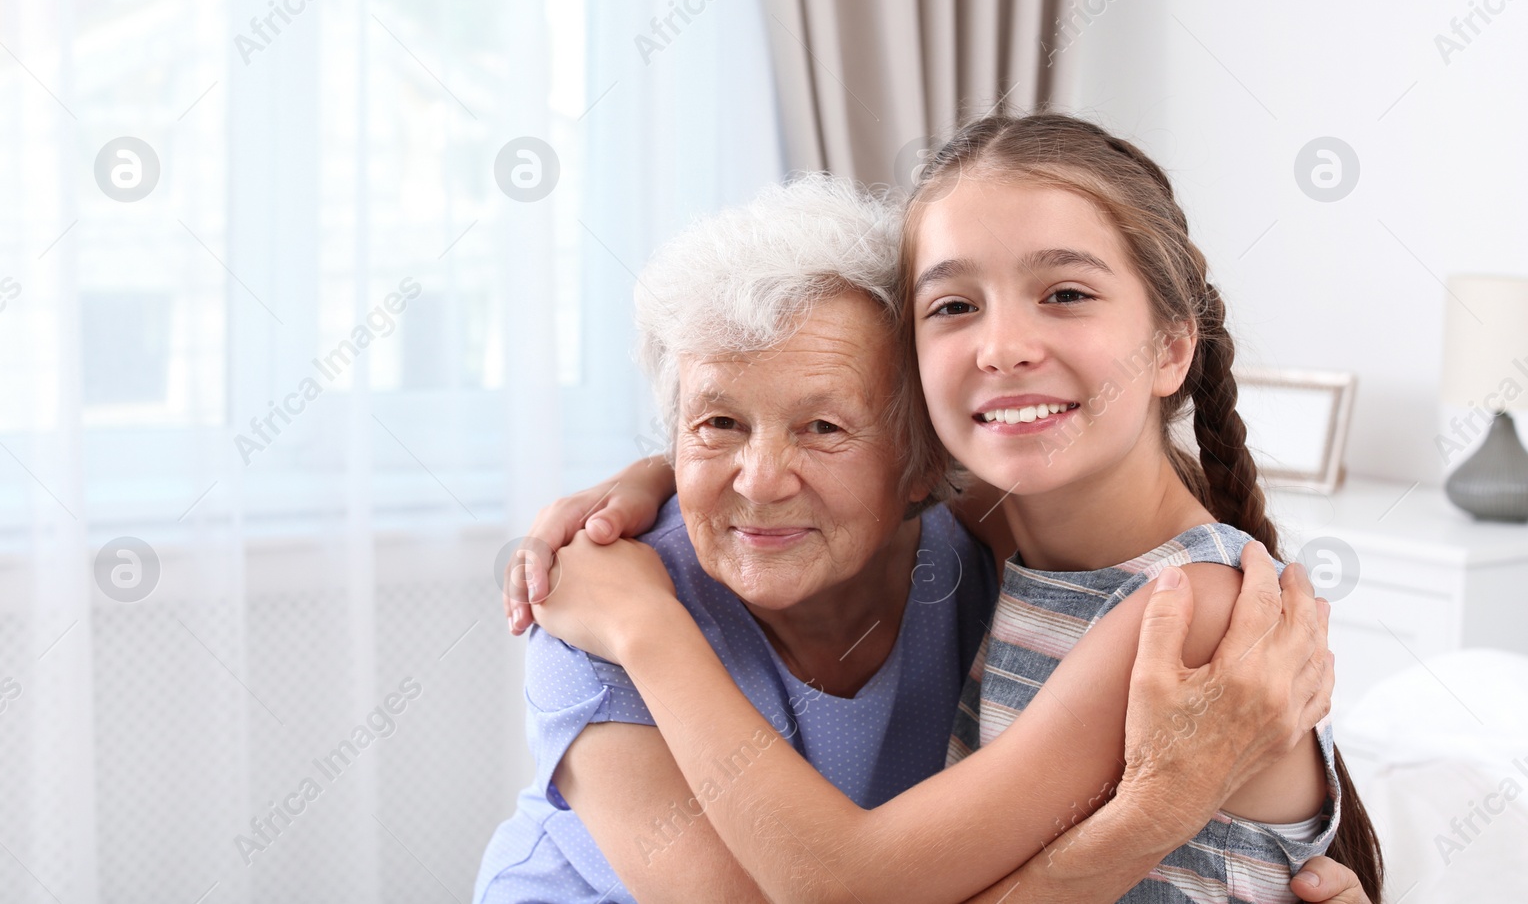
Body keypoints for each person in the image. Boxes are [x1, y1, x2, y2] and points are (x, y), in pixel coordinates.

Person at [484, 168, 1373, 901]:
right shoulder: (599, 612)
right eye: (715, 424)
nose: (758, 480)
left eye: (824, 428)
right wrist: (1156, 807)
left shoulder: (982, 548)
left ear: (922, 462)